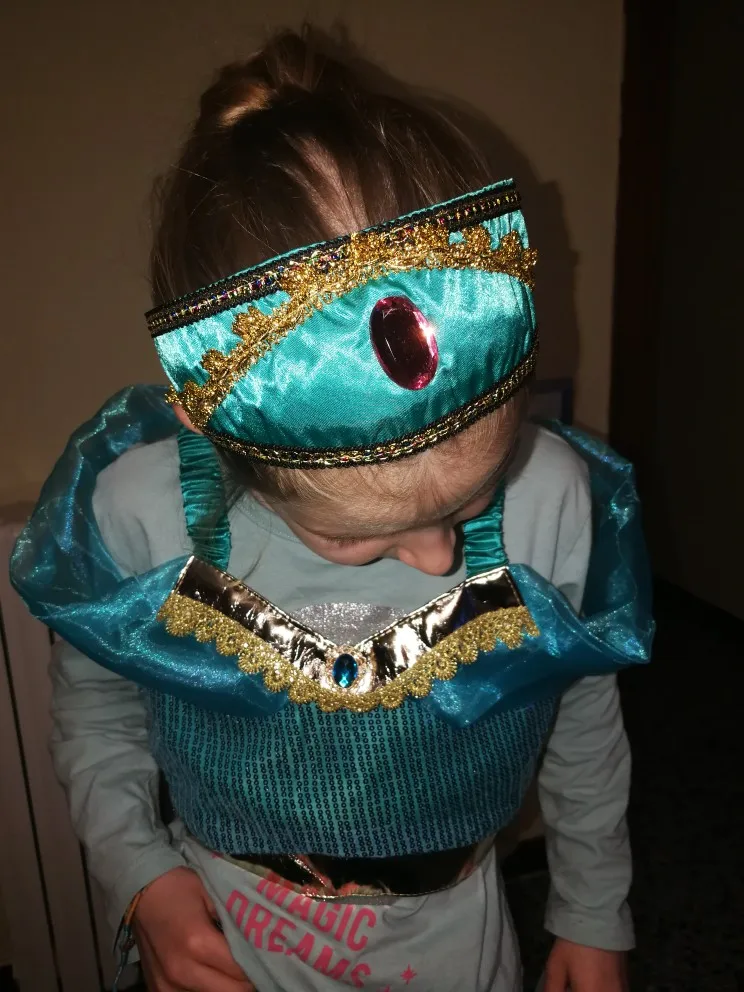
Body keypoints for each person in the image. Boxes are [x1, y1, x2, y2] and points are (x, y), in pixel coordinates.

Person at [11, 27, 653, 992]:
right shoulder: (142, 514)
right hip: (228, 942)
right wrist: (141, 876)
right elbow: (98, 710)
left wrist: (594, 910)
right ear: (217, 432)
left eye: (473, 501)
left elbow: (582, 710)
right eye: (363, 535)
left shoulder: (553, 495)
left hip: (458, 944)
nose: (440, 559)